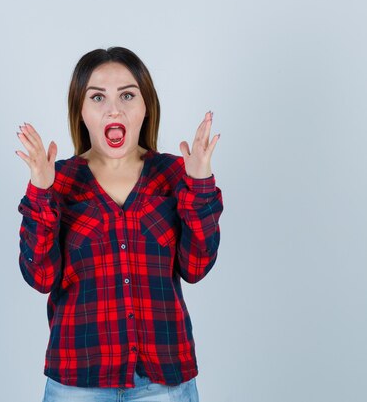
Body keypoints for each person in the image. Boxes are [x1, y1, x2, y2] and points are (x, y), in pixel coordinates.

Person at [15, 46, 223, 402]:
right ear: (80, 111)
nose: (114, 108)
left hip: (163, 381)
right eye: (97, 97)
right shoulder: (59, 180)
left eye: (127, 95)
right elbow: (40, 278)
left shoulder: (174, 174)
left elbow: (196, 267)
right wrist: (41, 191)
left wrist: (200, 182)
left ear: (145, 106)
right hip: (77, 382)